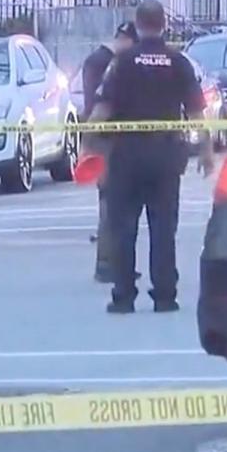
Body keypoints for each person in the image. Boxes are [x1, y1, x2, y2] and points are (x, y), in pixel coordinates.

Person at [89, 0, 214, 315]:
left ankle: (123, 296)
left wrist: (89, 146)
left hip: (127, 156)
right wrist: (206, 150)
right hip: (166, 155)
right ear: (164, 25)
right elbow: (197, 112)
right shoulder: (179, 62)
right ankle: (165, 295)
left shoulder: (122, 62)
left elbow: (102, 110)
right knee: (163, 228)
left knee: (123, 228)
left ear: (137, 23)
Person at [79, 21, 138, 283]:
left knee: (112, 201)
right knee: (110, 203)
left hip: (103, 137)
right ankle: (107, 263)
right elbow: (101, 105)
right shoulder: (108, 63)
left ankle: (114, 261)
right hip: (106, 139)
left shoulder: (98, 60)